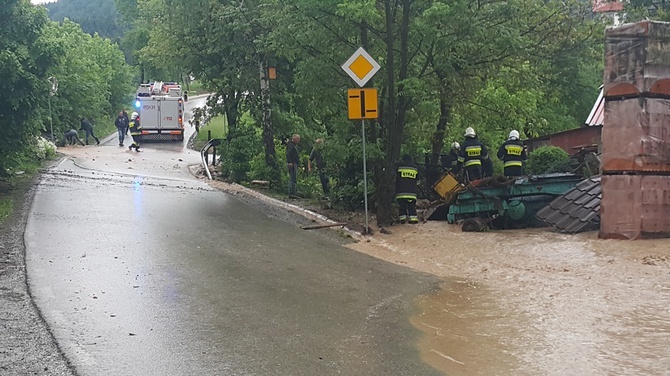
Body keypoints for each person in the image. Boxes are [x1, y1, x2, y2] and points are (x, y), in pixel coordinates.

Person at [396, 155, 419, 224]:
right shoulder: (415, 168)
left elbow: (395, 177)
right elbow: (418, 178)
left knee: (402, 206)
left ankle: (402, 220)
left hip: (401, 192)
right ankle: (413, 219)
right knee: (411, 206)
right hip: (412, 192)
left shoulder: (399, 166)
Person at [286, 134, 300, 198]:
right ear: (294, 139)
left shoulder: (293, 145)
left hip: (294, 163)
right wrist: (290, 162)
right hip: (293, 163)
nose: (299, 140)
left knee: (294, 178)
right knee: (293, 178)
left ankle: (293, 192)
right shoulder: (291, 145)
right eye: (298, 139)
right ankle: (292, 193)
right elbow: (288, 154)